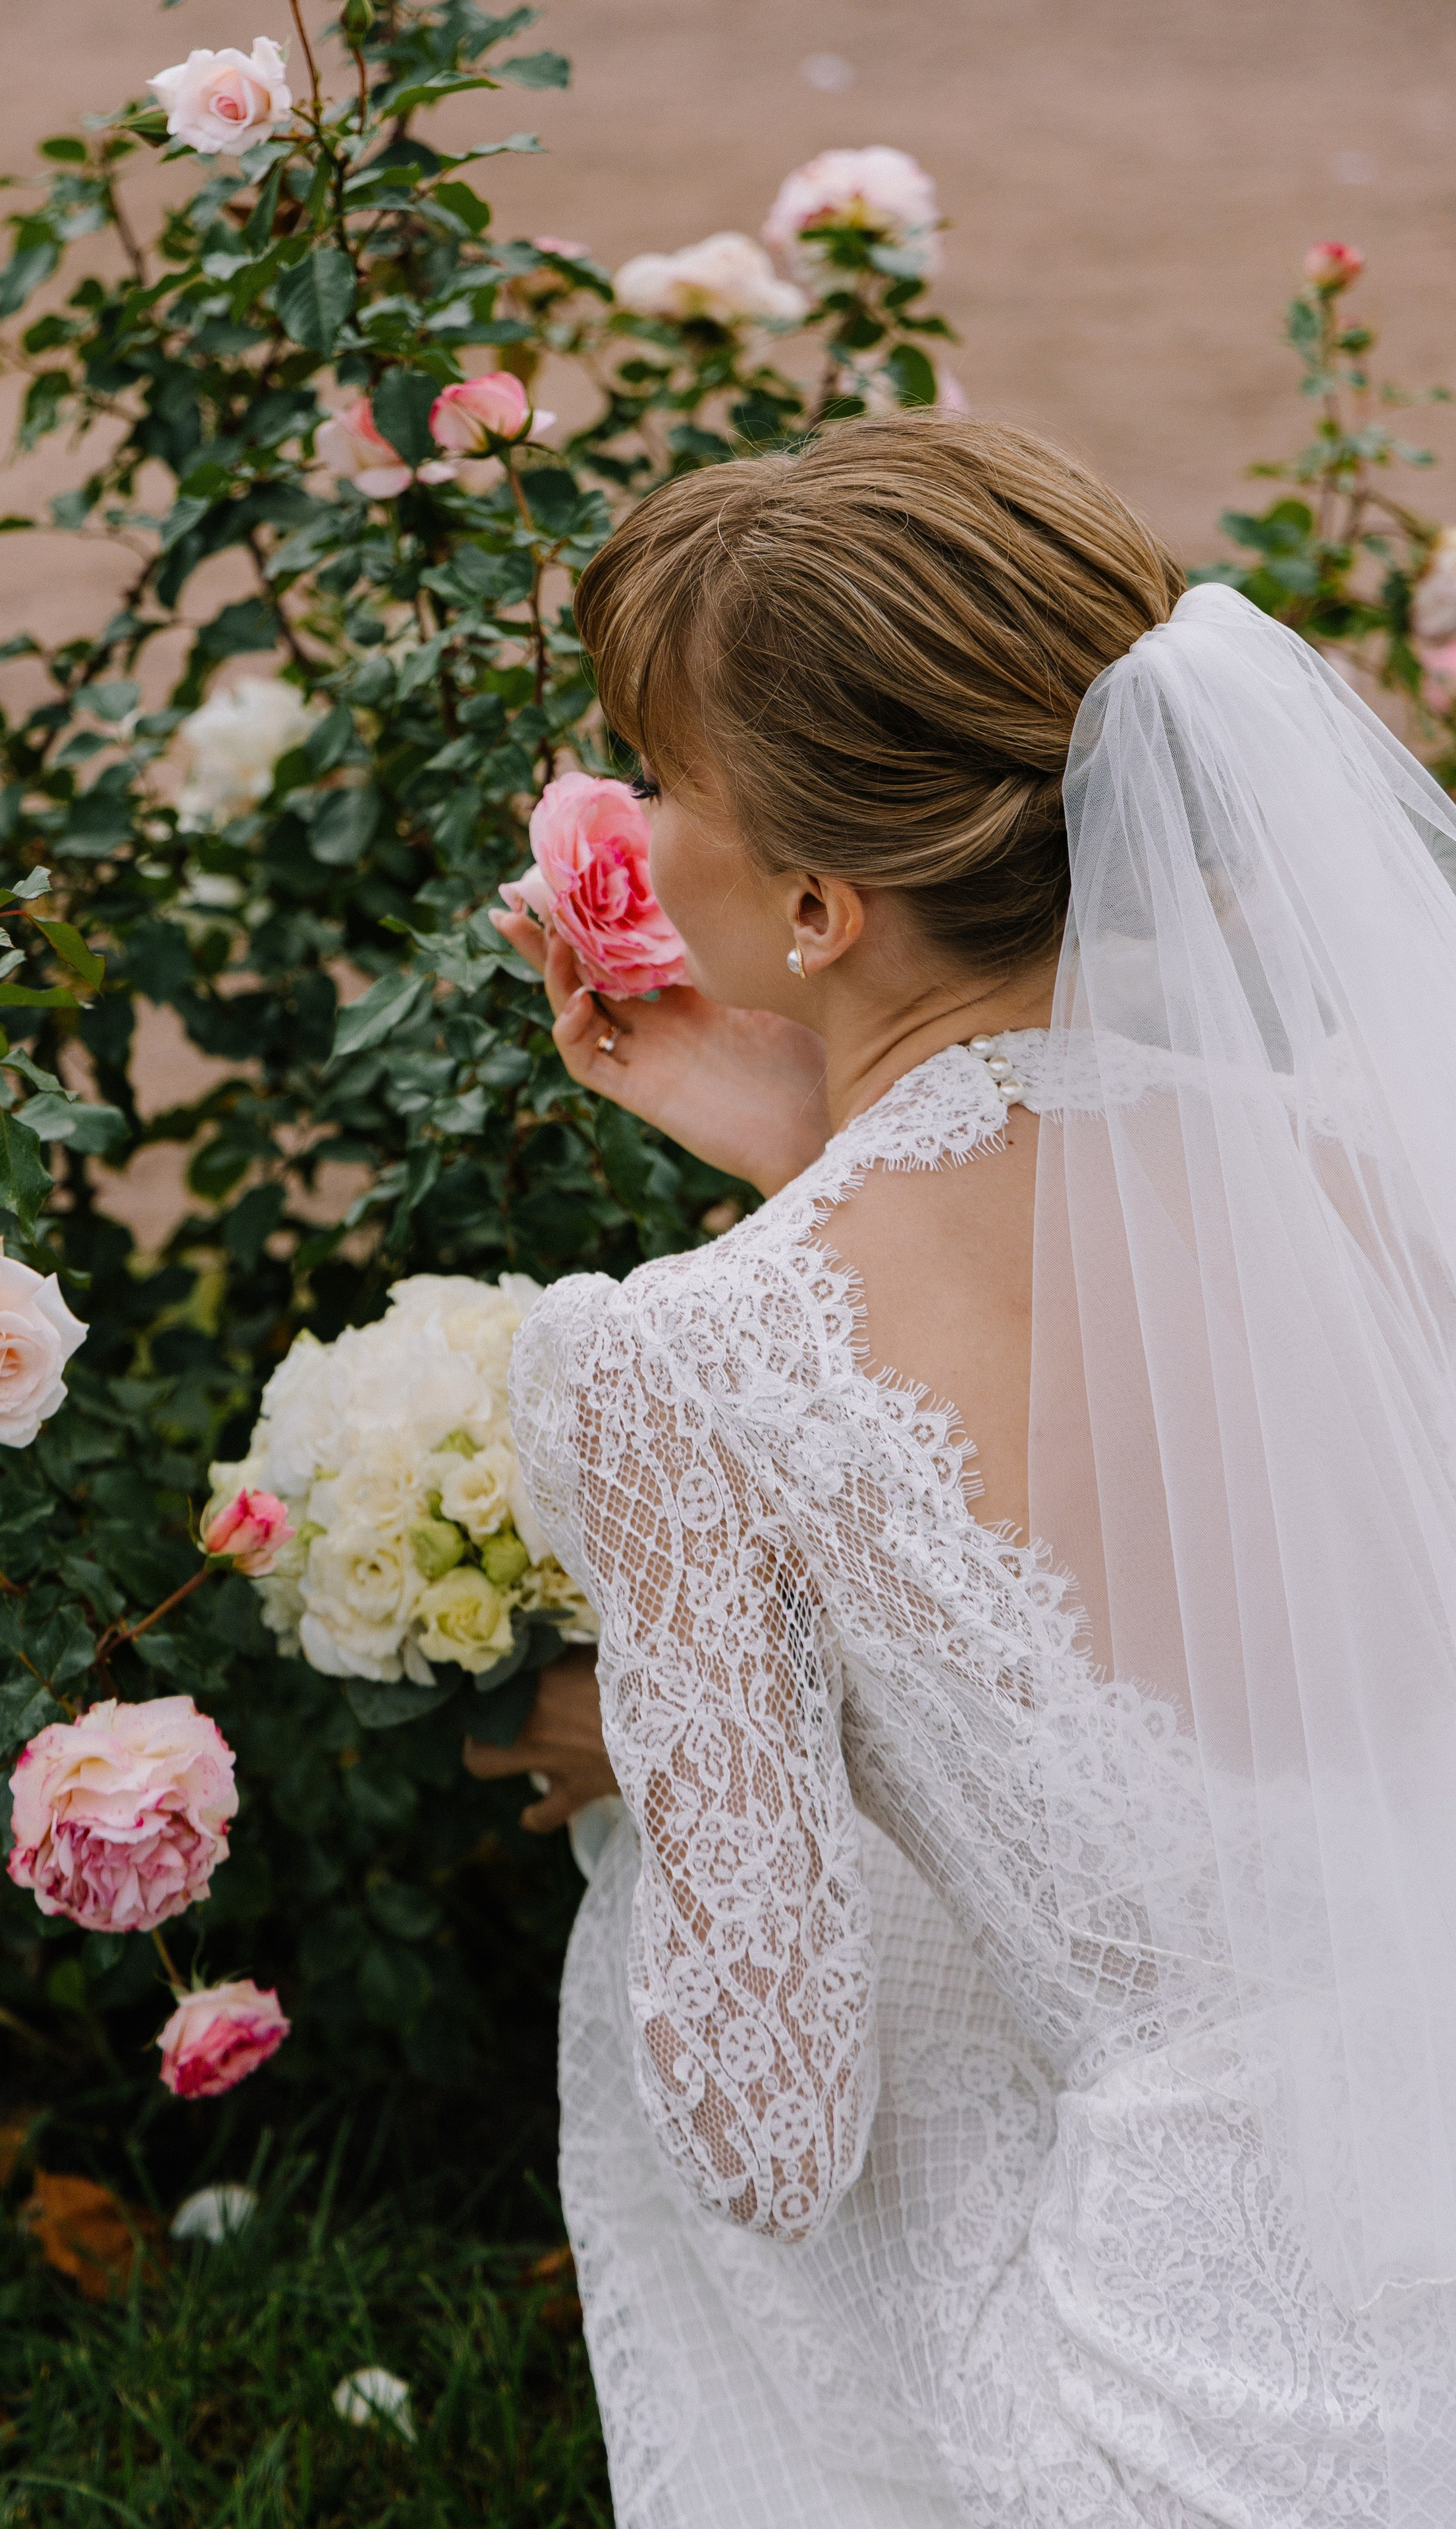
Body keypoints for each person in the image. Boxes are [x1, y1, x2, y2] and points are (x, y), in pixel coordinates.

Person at [464, 414, 1456, 2525]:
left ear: (816, 900)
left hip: (1197, 2412)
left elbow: (770, 2137)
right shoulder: (1379, 1172)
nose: (622, 815)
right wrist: (816, 1137)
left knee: (671, 1886)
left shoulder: (682, 1365)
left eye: (657, 776)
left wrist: (679, 1745)